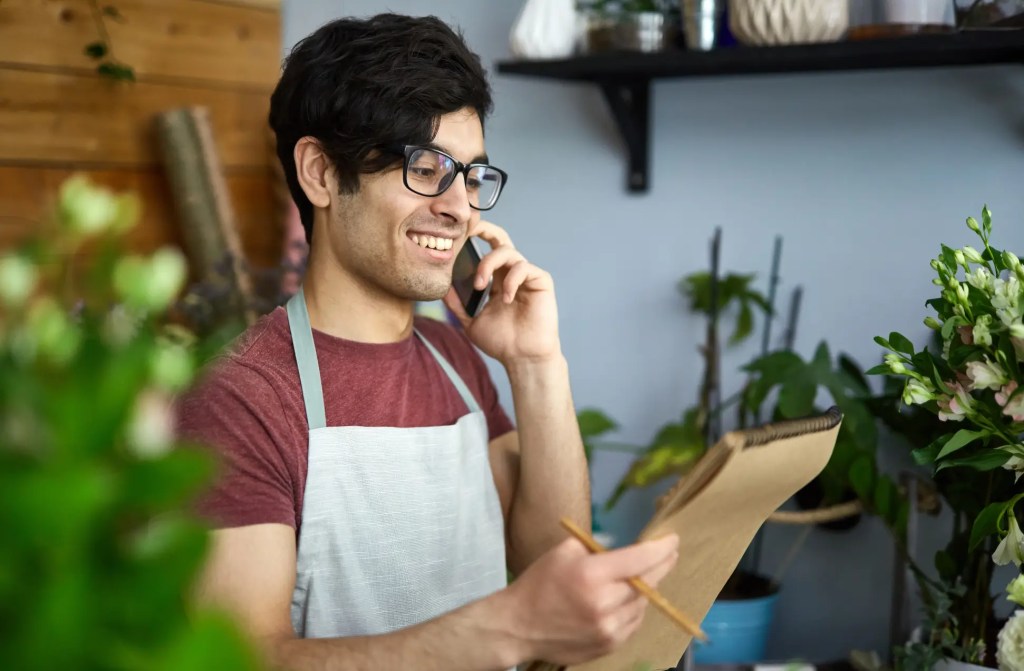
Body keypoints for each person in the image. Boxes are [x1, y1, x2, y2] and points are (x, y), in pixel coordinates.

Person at [177, 13, 680, 670]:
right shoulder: (243, 396)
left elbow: (550, 563)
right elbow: (240, 660)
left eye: (471, 174)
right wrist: (504, 632)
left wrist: (536, 365)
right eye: (426, 166)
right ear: (321, 173)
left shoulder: (456, 357)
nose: (461, 207)